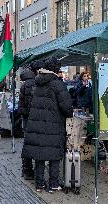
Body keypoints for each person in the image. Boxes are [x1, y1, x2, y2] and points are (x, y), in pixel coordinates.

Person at [22, 57, 73, 193]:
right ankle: (53, 184)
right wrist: (69, 114)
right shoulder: (58, 84)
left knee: (40, 155)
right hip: (53, 126)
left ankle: (39, 184)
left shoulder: (37, 83)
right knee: (54, 155)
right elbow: (67, 108)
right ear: (56, 69)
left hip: (37, 125)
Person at [19, 60, 45, 180]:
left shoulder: (24, 83)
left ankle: (27, 170)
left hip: (26, 118)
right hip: (35, 118)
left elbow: (22, 104)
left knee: (27, 144)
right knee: (37, 144)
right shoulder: (36, 82)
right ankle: (32, 171)